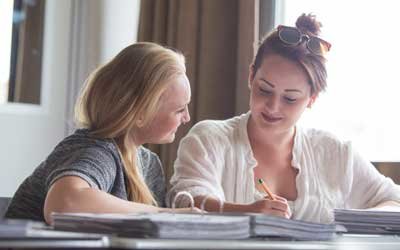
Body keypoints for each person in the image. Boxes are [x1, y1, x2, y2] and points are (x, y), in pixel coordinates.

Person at [167, 14, 400, 223]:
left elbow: (395, 202)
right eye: (265, 90)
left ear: (312, 99)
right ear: (251, 76)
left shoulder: (335, 154)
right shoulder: (210, 139)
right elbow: (186, 200)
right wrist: (245, 211)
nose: (272, 107)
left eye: (290, 99)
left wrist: (353, 222)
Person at [6, 42, 193, 224]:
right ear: (141, 113)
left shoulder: (150, 165)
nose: (187, 117)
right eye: (179, 109)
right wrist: (166, 213)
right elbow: (64, 203)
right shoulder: (97, 150)